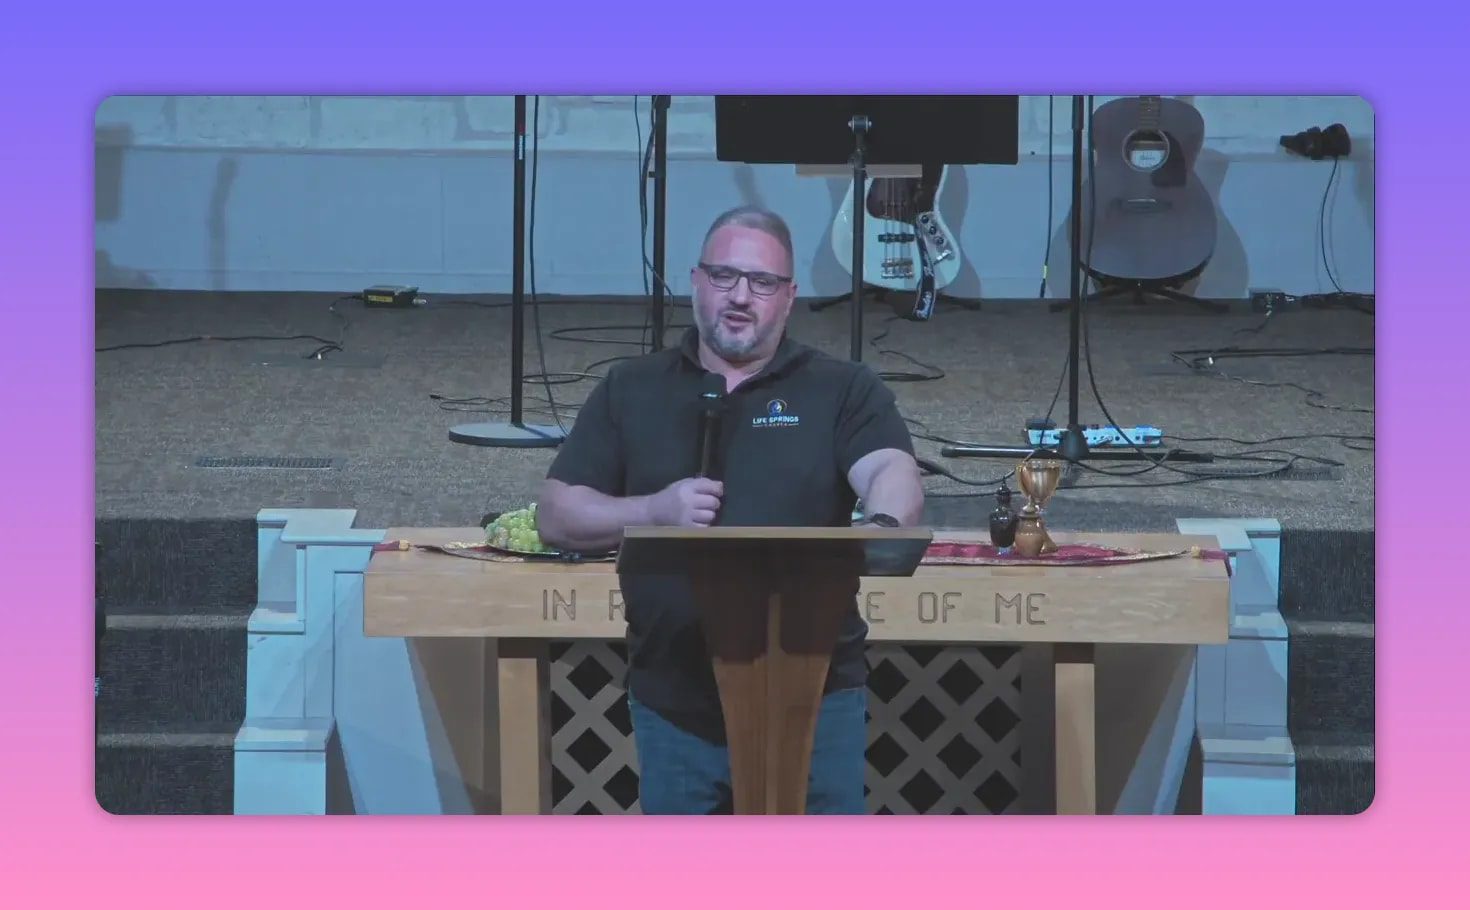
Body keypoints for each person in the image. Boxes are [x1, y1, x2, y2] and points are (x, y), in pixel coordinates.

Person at [535, 204, 924, 814]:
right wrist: (655, 510)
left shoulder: (840, 387)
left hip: (816, 697)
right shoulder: (632, 387)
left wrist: (881, 525)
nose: (741, 296)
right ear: (696, 282)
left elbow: (890, 471)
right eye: (724, 276)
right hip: (676, 700)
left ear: (789, 298)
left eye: (762, 282)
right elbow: (558, 512)